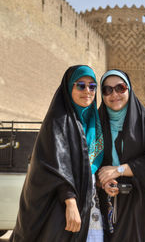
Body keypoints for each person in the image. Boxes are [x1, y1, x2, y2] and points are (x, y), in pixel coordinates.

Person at [10, 65, 104, 242]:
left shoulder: (93, 123)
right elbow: (55, 164)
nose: (88, 91)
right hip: (59, 207)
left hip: (86, 206)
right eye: (81, 85)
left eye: (92, 86)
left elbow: (87, 166)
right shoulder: (59, 120)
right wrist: (70, 202)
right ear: (69, 87)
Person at [98, 69, 145, 242]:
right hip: (108, 206)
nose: (114, 94)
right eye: (107, 90)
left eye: (120, 88)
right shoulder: (96, 124)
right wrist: (103, 182)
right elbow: (91, 163)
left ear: (129, 89)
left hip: (143, 207)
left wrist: (118, 170)